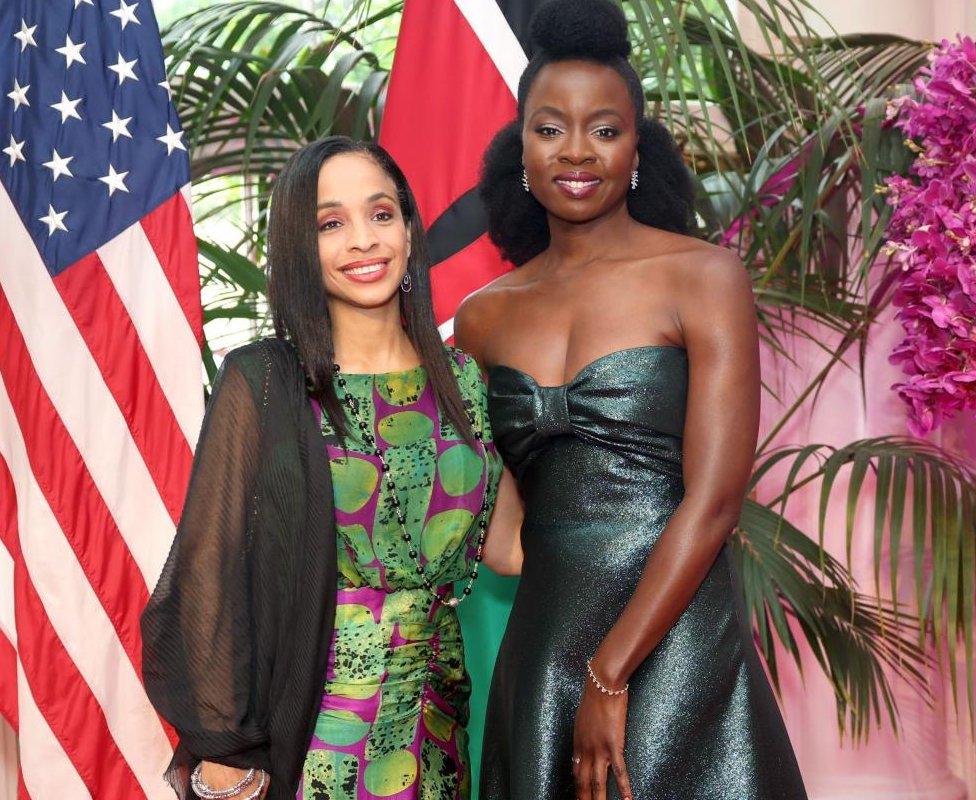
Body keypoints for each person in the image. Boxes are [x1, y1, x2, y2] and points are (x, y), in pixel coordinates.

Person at [455, 1, 808, 798]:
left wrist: (610, 673)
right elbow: (499, 532)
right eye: (550, 129)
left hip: (677, 646)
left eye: (604, 130)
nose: (576, 151)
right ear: (520, 150)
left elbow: (714, 502)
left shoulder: (704, 277)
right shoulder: (482, 318)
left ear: (637, 150)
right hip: (543, 653)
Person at [141, 136, 501, 800]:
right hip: (320, 726)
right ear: (299, 248)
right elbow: (207, 568)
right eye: (330, 224)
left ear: (411, 228)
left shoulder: (464, 381)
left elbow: (502, 547)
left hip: (439, 720)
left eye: (381, 213)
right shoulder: (266, 381)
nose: (363, 240)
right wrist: (226, 749)